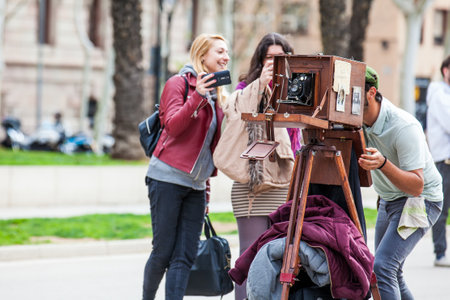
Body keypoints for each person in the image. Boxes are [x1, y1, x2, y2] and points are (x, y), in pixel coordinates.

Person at [142, 33, 229, 300]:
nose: (226, 57)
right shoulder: (177, 83)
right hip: (167, 178)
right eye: (219, 52)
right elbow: (174, 127)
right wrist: (197, 97)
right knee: (163, 252)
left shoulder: (217, 97)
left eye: (227, 53)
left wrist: (206, 189)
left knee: (185, 255)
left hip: (196, 186)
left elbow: (205, 149)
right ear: (203, 55)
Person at [213, 32, 297, 300]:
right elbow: (236, 114)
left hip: (284, 184)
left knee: (278, 260)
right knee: (249, 257)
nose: (275, 63)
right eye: (270, 58)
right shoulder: (244, 90)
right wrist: (262, 83)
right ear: (260, 61)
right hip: (252, 185)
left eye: (281, 58)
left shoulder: (294, 91)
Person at [358, 66, 443, 299]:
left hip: (422, 200)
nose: (346, 103)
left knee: (384, 267)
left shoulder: (403, 126)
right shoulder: (355, 123)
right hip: (390, 199)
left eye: (353, 94)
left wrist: (382, 163)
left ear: (370, 92)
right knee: (391, 272)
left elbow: (417, 185)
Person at [427, 55, 450, 267]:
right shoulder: (438, 93)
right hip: (444, 159)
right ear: (446, 70)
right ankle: (440, 253)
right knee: (441, 209)